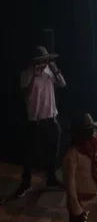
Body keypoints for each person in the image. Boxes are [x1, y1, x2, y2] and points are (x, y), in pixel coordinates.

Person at [3, 46, 67, 203]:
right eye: (43, 59)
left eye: (47, 59)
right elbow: (25, 89)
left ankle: (51, 178)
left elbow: (62, 83)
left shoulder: (50, 71)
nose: (45, 61)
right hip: (35, 120)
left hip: (51, 118)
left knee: (53, 151)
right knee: (29, 155)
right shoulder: (27, 73)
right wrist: (34, 73)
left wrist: (54, 69)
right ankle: (25, 183)